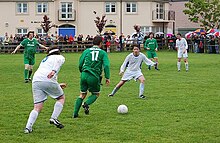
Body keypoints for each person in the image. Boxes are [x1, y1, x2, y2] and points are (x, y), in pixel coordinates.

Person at [23, 47, 66, 134]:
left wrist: (57, 84)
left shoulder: (45, 59)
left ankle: (28, 127)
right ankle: (54, 118)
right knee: (61, 98)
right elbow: (58, 62)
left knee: (37, 107)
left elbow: (43, 75)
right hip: (48, 79)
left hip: (36, 80)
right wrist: (54, 71)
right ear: (58, 52)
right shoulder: (59, 57)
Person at [73, 35, 110, 118]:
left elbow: (80, 63)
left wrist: (82, 71)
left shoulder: (86, 51)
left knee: (82, 94)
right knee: (96, 94)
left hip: (84, 74)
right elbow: (106, 65)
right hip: (94, 76)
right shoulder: (103, 53)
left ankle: (75, 114)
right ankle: (86, 104)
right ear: (100, 43)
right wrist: (107, 77)